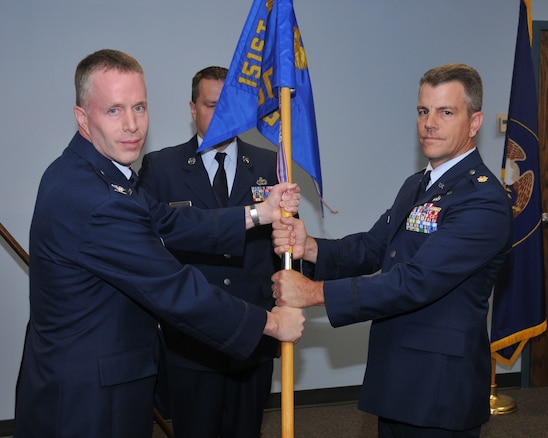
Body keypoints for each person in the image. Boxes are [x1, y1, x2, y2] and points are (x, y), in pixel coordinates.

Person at [14, 49, 305, 438]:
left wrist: (259, 214)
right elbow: (174, 289)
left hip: (92, 377)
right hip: (89, 397)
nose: (132, 125)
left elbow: (167, 220)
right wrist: (269, 322)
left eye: (139, 107)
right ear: (83, 117)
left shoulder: (97, 172)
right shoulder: (95, 198)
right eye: (114, 110)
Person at [271, 64, 513, 438]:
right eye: (423, 111)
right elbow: (373, 246)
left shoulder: (484, 200)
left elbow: (415, 281)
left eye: (445, 112)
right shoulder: (417, 185)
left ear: (475, 121)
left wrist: (314, 293)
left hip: (439, 387)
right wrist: (311, 248)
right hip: (397, 371)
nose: (430, 123)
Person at [138, 66, 280, 438]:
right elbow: (150, 246)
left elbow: (284, 245)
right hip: (193, 339)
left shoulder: (270, 164)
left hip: (254, 334)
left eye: (230, 107)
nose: (221, 117)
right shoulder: (161, 167)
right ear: (192, 108)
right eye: (211, 105)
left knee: (247, 430)